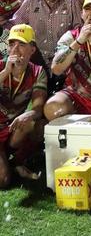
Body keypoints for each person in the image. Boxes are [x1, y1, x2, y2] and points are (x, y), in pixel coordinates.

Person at [10, 0, 83, 95]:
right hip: (36, 61)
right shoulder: (30, 2)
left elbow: (78, 31)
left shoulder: (71, 1)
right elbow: (14, 25)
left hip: (62, 62)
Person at [0, 24, 47, 186]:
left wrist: (30, 113)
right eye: (12, 44)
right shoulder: (1, 66)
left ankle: (14, 159)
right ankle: (10, 162)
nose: (15, 49)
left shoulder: (38, 71)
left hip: (10, 127)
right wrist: (6, 71)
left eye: (21, 44)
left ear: (32, 50)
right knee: (3, 180)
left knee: (37, 124)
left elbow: (38, 107)